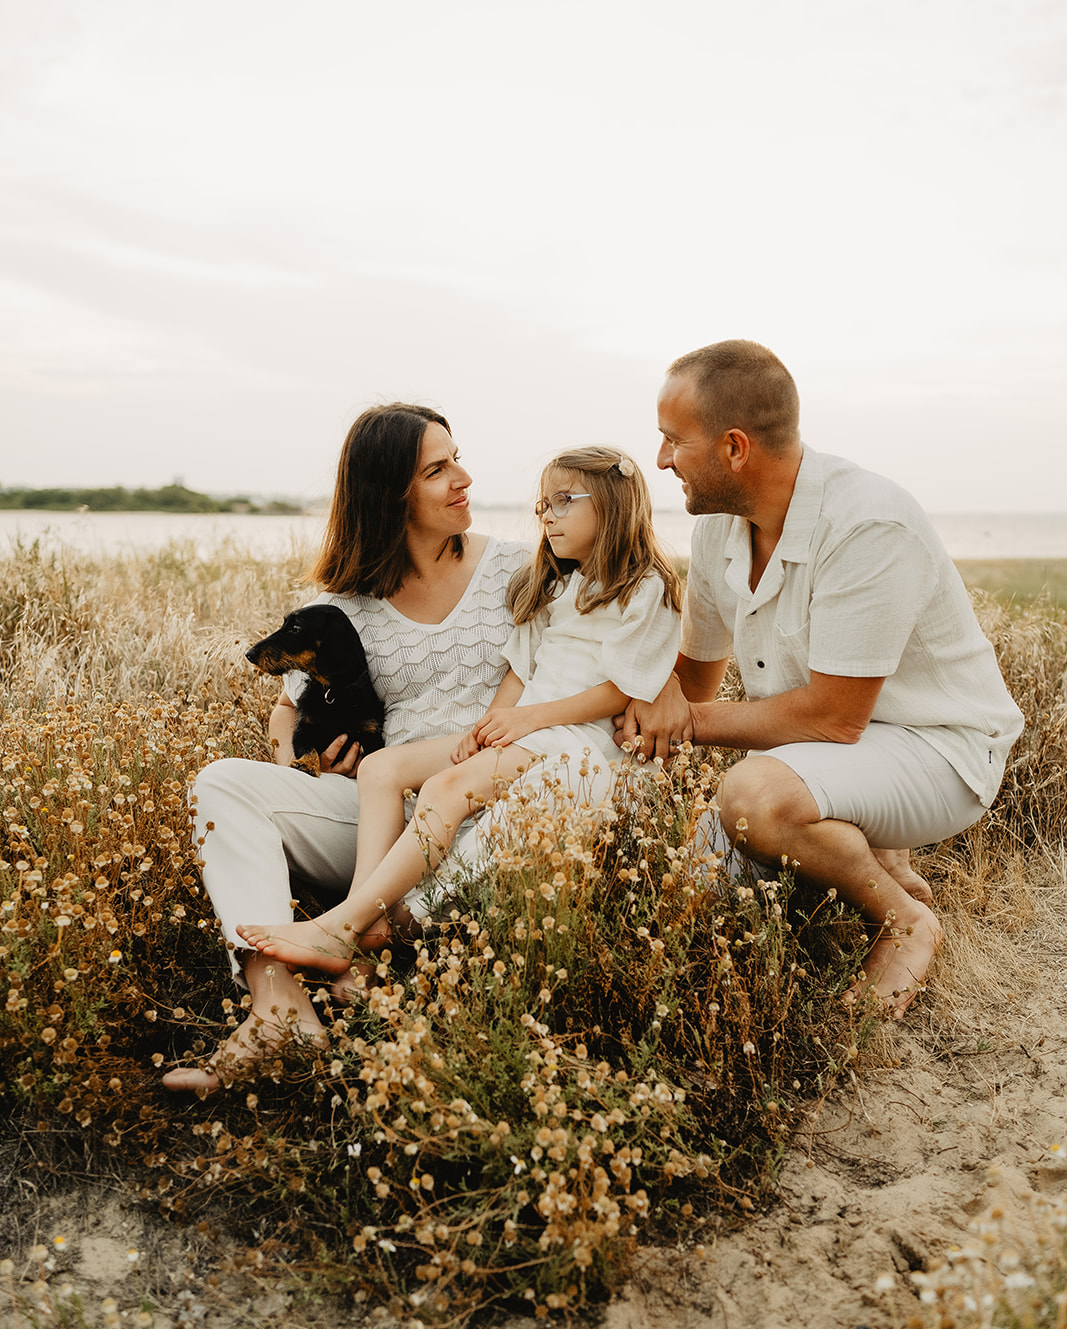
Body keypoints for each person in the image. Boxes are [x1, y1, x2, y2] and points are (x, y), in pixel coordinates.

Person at [617, 340, 1024, 1019]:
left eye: (671, 441)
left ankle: (902, 921)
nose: (660, 461)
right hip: (839, 753)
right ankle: (880, 857)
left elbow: (835, 716)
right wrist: (642, 700)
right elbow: (694, 673)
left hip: (938, 749)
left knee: (752, 798)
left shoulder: (866, 521)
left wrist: (682, 723)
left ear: (734, 447)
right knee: (684, 904)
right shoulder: (719, 528)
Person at [162, 402, 529, 1093]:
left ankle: (366, 947)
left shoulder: (520, 570)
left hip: (491, 821)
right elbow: (284, 712)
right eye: (437, 470)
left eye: (457, 459)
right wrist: (301, 763)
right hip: (378, 826)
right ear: (389, 491)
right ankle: (277, 1008)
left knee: (531, 808)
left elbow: (603, 641)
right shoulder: (344, 602)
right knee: (219, 783)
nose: (464, 479)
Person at [236, 445, 682, 977]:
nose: (546, 516)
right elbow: (523, 666)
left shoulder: (644, 587)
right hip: (527, 730)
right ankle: (364, 916)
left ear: (613, 504)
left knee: (443, 790)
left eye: (563, 502)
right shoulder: (560, 582)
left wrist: (529, 720)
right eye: (542, 505)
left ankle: (342, 926)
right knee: (381, 769)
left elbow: (622, 689)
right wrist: (487, 726)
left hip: (576, 743)